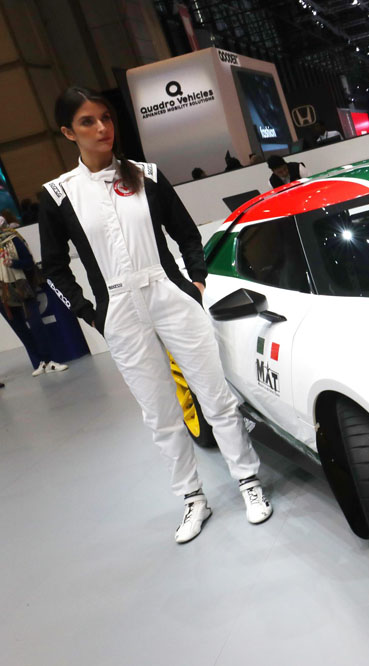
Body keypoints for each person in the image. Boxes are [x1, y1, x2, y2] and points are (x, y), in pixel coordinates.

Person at [39, 86, 272, 544]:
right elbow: (53, 268)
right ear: (68, 132)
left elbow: (187, 234)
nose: (102, 128)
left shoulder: (147, 175)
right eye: (87, 122)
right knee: (159, 414)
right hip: (118, 311)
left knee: (215, 396)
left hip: (171, 296)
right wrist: (90, 314)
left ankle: (248, 481)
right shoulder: (58, 194)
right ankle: (193, 498)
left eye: (106, 117)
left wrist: (196, 282)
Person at [1, 211, 69, 376]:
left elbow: (28, 262)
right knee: (20, 330)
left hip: (22, 288)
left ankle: (50, 360)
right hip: (3, 294)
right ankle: (40, 361)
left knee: (37, 325)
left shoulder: (13, 239)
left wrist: (14, 263)